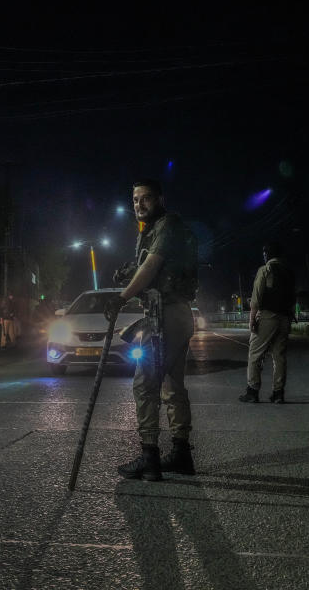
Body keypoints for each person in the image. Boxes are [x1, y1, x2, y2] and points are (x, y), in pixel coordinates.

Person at [106, 179, 198, 481]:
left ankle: (150, 458)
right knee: (172, 386)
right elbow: (149, 267)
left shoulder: (167, 224)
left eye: (145, 198)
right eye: (135, 200)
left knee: (145, 384)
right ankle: (181, 454)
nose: (139, 205)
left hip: (166, 316)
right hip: (173, 314)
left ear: (160, 198)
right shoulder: (152, 230)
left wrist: (121, 297)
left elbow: (151, 267)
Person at [239, 241, 296, 404]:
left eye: (265, 253)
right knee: (279, 356)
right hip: (285, 318)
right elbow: (292, 297)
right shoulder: (289, 272)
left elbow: (256, 298)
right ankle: (278, 393)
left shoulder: (265, 270)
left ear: (267, 255)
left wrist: (252, 319)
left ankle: (252, 391)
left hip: (268, 316)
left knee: (255, 353)